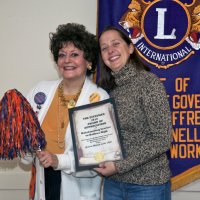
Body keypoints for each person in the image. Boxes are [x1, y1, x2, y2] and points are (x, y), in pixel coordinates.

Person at [21, 23, 109, 200]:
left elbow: (98, 160)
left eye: (75, 54)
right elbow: (25, 154)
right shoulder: (40, 91)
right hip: (43, 184)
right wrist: (27, 148)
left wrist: (57, 161)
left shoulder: (99, 98)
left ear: (89, 62)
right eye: (62, 55)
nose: (67, 60)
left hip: (79, 190)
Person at [95, 26, 172, 200]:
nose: (110, 51)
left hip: (148, 185)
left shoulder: (148, 83)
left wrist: (119, 166)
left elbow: (162, 139)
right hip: (112, 184)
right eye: (104, 48)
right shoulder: (105, 91)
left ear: (130, 48)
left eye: (115, 44)